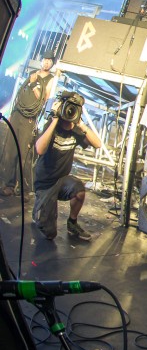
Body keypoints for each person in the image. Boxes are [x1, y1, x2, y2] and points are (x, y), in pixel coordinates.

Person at [32, 92, 101, 241]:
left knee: (79, 190)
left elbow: (97, 144)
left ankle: (72, 222)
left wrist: (81, 124)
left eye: (74, 109)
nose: (70, 112)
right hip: (45, 183)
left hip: (62, 180)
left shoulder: (76, 131)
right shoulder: (51, 126)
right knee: (50, 234)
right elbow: (39, 149)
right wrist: (55, 120)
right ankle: (39, 208)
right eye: (69, 108)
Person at [0, 50, 60, 197]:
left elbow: (43, 99)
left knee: (24, 153)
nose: (46, 62)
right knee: (10, 150)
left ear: (52, 63)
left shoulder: (51, 79)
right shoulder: (33, 73)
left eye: (49, 60)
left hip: (30, 118)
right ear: (41, 60)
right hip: (17, 114)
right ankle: (8, 184)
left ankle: (24, 189)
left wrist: (34, 85)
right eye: (44, 59)